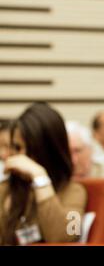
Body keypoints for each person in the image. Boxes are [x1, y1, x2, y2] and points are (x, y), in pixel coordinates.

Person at [0, 103, 87, 245]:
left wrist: (40, 177)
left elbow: (68, 236)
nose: (17, 155)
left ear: (48, 150)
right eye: (15, 147)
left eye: (24, 148)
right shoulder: (4, 189)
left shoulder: (74, 192)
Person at [66, 121, 104, 189]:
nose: (73, 160)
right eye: (67, 153)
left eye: (77, 151)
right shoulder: (55, 180)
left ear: (90, 150)